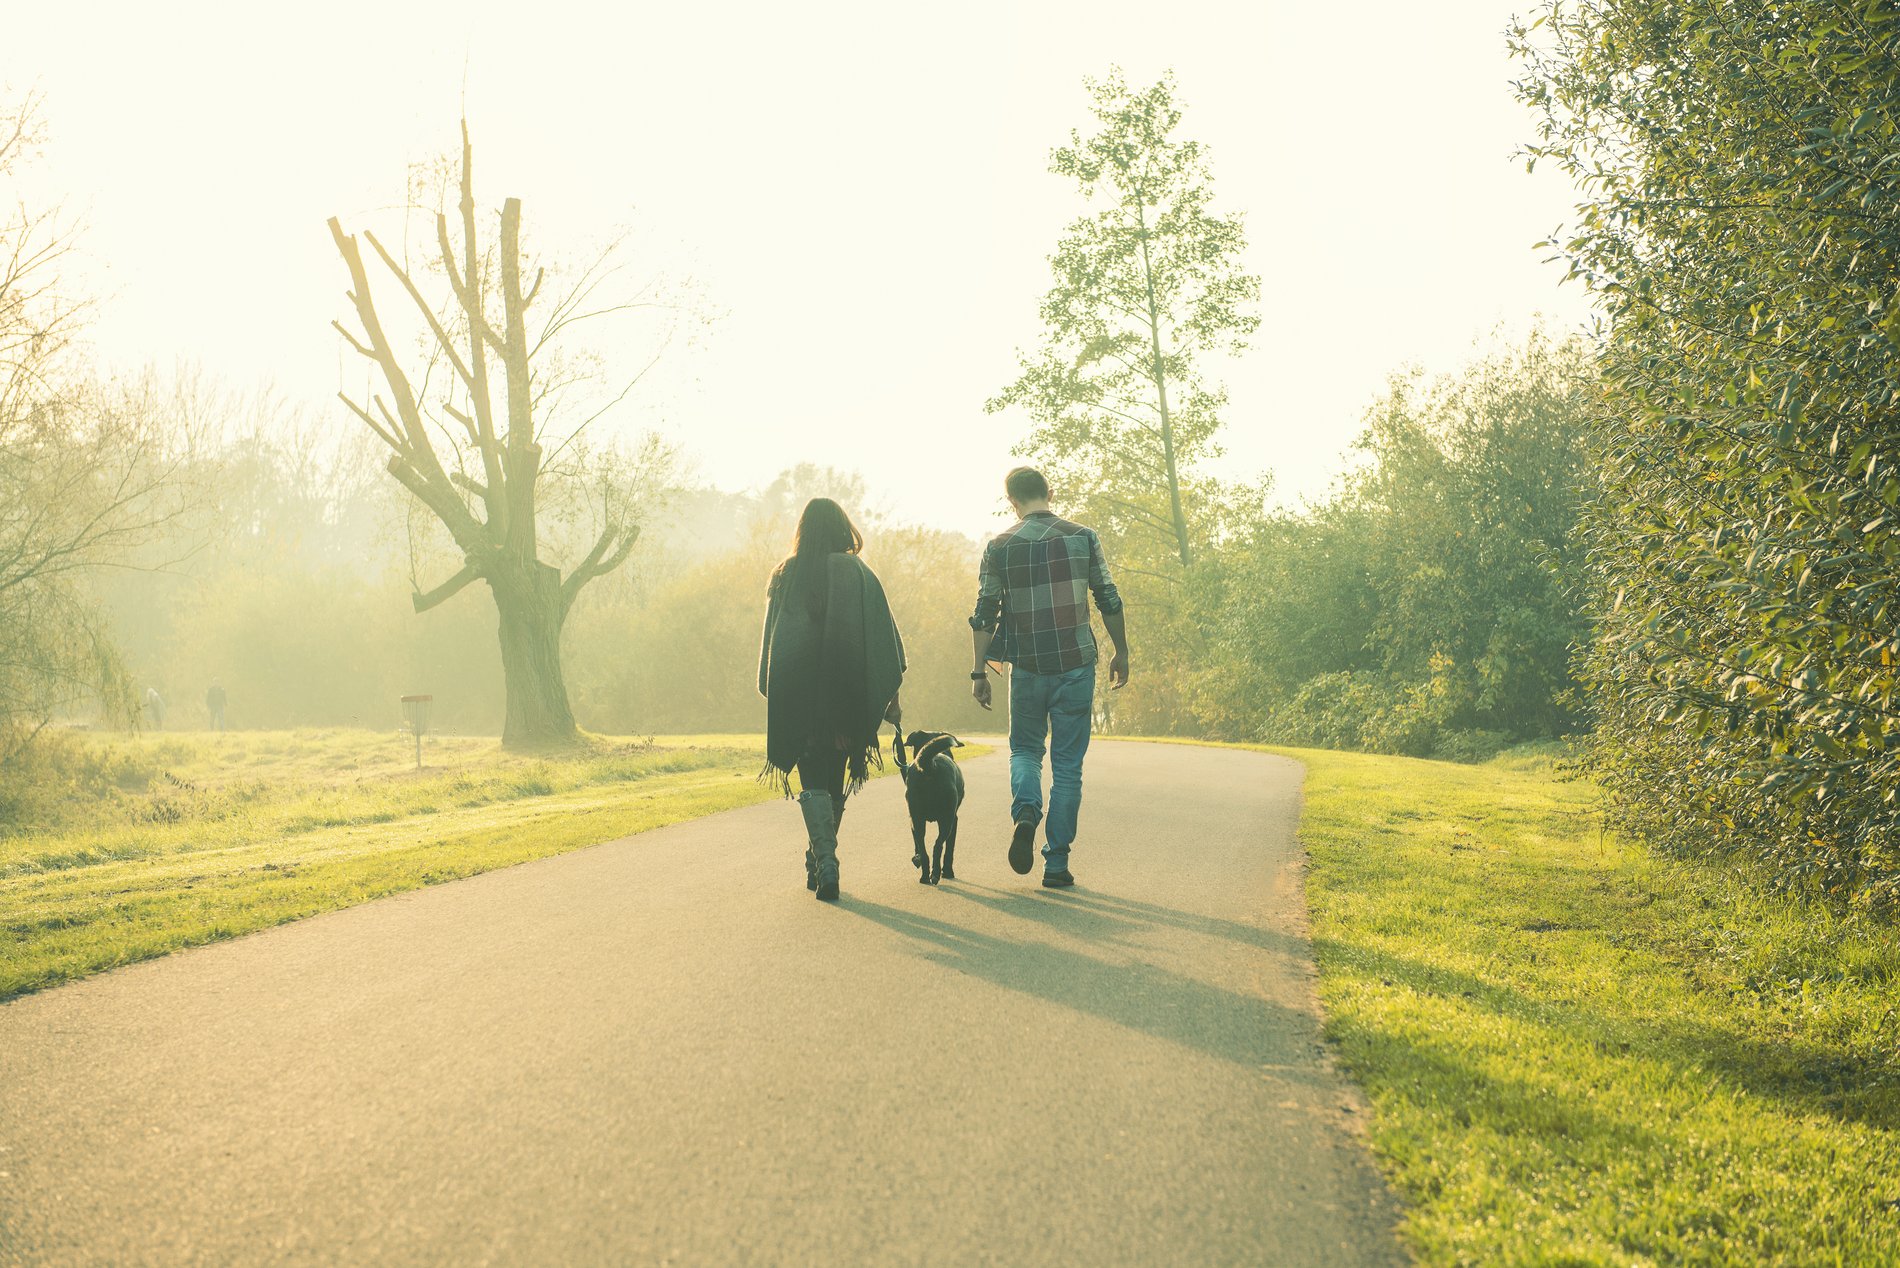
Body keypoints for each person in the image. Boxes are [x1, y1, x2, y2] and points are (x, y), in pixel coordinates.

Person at [969, 467, 1128, 888]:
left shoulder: (999, 547)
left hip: (1026, 667)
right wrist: (1121, 650)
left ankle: (1025, 812)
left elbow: (985, 612)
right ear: (1050, 492)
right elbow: (1108, 596)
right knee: (1068, 767)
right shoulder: (1083, 537)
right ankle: (1056, 864)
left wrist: (978, 670)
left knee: (1024, 750)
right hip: (1075, 664)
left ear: (1011, 501)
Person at [758, 498, 905, 902]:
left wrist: (779, 691)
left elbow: (774, 646)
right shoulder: (858, 572)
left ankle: (824, 860)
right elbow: (882, 643)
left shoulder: (786, 573)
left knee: (812, 781)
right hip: (845, 699)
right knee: (835, 778)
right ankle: (825, 860)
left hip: (800, 699)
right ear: (843, 527)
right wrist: (889, 696)